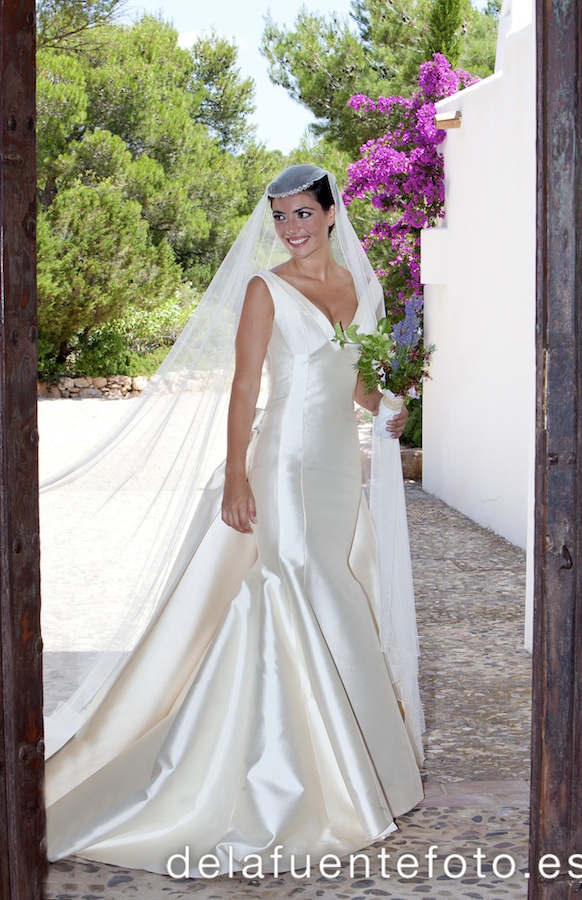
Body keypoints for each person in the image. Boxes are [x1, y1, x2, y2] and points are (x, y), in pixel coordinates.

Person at [43, 164, 424, 876]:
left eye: (303, 214)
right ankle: (293, 779)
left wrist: (389, 405)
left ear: (331, 214)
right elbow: (245, 387)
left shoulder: (362, 290)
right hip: (279, 461)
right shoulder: (266, 289)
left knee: (332, 586)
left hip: (337, 465)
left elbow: (359, 382)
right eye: (280, 217)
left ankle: (354, 765)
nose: (291, 229)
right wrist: (237, 476)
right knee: (295, 580)